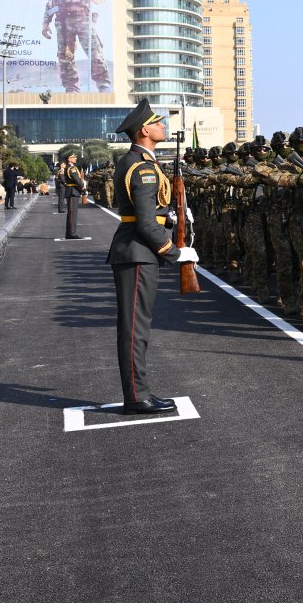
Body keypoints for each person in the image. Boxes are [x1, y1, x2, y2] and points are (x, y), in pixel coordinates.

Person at [108, 99, 193, 414]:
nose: (163, 126)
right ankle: (136, 397)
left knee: (138, 325)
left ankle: (139, 392)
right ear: (144, 130)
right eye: (158, 122)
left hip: (138, 251)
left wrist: (169, 219)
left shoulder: (143, 162)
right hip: (138, 252)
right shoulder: (142, 167)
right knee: (135, 328)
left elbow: (151, 213)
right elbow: (144, 222)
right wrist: (174, 252)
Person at [61, 153, 88, 239]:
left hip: (73, 191)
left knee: (71, 213)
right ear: (69, 159)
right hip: (73, 191)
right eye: (73, 157)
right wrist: (83, 188)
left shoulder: (70, 167)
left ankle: (69, 233)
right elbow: (76, 179)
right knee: (73, 213)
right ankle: (71, 233)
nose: (75, 158)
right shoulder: (71, 168)